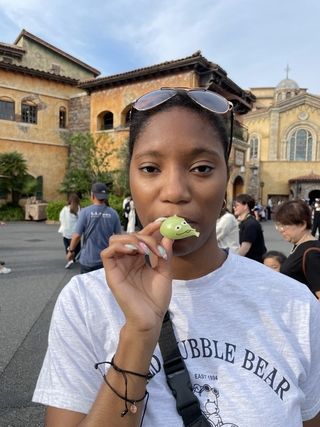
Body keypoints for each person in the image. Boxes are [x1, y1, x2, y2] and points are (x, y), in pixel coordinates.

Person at [33, 88, 320, 426]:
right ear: (130, 179)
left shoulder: (294, 305)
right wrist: (139, 333)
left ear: (227, 178)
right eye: (151, 168)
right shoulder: (84, 302)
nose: (174, 192)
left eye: (201, 168)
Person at [65, 182, 122, 274]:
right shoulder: (113, 213)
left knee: (87, 287)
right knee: (103, 287)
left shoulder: (85, 212)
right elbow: (119, 237)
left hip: (88, 260)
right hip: (106, 259)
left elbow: (76, 236)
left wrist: (71, 251)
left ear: (92, 195)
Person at [274, 199, 320, 299]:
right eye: (279, 225)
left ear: (302, 224)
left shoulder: (311, 253)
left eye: (285, 225)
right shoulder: (299, 245)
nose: (281, 230)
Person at [233, 193, 267, 262]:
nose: (234, 207)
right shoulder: (243, 221)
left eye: (237, 205)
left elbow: (244, 249)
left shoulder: (250, 224)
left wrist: (233, 261)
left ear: (245, 206)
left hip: (252, 262)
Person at [58, 193, 81, 269]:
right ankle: (74, 258)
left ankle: (69, 258)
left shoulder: (64, 209)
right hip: (75, 234)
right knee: (77, 247)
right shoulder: (79, 209)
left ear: (69, 201)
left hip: (66, 233)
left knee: (67, 246)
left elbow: (61, 219)